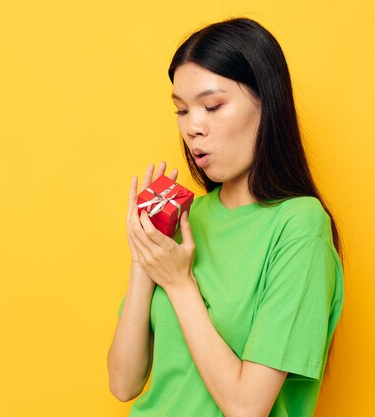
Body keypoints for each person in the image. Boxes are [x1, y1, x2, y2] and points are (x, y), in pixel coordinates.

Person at [107, 17, 344, 417]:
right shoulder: (187, 217)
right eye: (181, 111)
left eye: (212, 106)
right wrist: (143, 258)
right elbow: (123, 383)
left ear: (267, 102)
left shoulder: (300, 225)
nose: (192, 127)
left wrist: (179, 284)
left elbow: (247, 407)